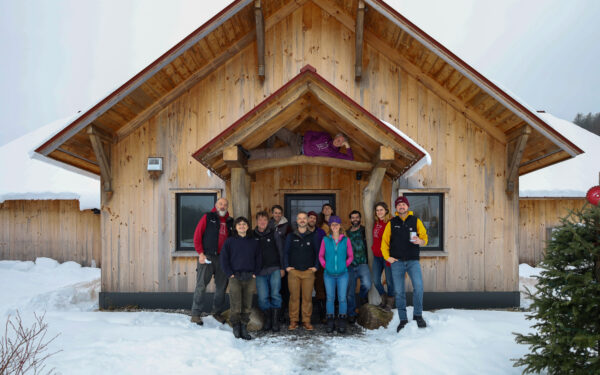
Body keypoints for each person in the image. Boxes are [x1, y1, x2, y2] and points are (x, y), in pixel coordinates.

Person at [381, 196, 428, 332]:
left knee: (418, 287)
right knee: (399, 292)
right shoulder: (391, 223)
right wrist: (387, 257)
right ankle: (402, 319)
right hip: (397, 262)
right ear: (396, 208)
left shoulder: (415, 220)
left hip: (413, 261)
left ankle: (418, 315)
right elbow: (385, 242)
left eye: (403, 204)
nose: (401, 206)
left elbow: (425, 238)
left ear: (407, 206)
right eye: (399, 205)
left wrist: (421, 241)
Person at [191, 198, 233, 325]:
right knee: (201, 285)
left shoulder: (231, 221)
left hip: (223, 259)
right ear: (216, 205)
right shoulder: (208, 217)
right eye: (220, 204)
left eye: (225, 204)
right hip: (207, 256)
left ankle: (216, 312)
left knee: (221, 287)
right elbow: (197, 235)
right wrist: (201, 253)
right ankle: (196, 314)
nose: (223, 206)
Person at [220, 217, 262, 340]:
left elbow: (259, 258)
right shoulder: (230, 241)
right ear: (235, 227)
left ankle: (244, 326)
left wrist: (255, 272)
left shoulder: (254, 241)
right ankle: (236, 326)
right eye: (239, 224)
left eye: (244, 224)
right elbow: (224, 259)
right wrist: (229, 273)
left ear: (248, 227)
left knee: (247, 304)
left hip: (250, 276)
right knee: (236, 303)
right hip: (235, 276)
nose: (242, 226)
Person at [283, 212, 319, 331]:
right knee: (294, 297)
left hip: (308, 272)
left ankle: (306, 321)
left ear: (307, 220)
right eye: (300, 218)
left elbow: (318, 253)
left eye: (304, 218)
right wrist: (287, 266)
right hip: (294, 272)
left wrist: (316, 267)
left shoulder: (313, 236)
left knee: (307, 297)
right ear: (297, 221)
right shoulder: (291, 236)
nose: (302, 220)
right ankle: (293, 321)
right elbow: (286, 252)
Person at [319, 216, 353, 333]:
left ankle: (342, 320)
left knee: (342, 298)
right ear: (330, 226)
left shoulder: (346, 240)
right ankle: (330, 320)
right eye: (332, 224)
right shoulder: (325, 239)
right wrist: (326, 265)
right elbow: (321, 256)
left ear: (340, 226)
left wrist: (345, 265)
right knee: (330, 298)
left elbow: (350, 256)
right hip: (328, 274)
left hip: (343, 274)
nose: (334, 226)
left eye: (336, 224)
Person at [254, 211, 284, 332]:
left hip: (274, 268)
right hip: (259, 271)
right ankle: (268, 320)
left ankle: (275, 321)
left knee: (275, 294)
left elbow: (280, 250)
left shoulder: (274, 233)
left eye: (265, 220)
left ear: (268, 222)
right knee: (262, 297)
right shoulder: (252, 234)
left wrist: (282, 267)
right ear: (256, 221)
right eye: (260, 220)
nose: (262, 222)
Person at [247, 129, 353, 160]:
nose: (338, 141)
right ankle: (269, 144)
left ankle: (248, 154)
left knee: (271, 154)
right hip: (297, 138)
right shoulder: (326, 136)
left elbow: (350, 158)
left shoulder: (334, 153)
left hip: (297, 150)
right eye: (338, 139)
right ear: (336, 136)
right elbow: (311, 133)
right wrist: (306, 141)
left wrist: (347, 145)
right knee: (276, 128)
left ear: (341, 145)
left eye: (341, 142)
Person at [346, 210, 372, 324]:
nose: (355, 219)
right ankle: (351, 313)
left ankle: (362, 297)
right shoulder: (347, 233)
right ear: (350, 219)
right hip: (350, 265)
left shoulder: (364, 230)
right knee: (349, 291)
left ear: (360, 219)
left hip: (363, 263)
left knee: (367, 284)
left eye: (357, 217)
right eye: (353, 217)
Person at [268, 204, 291, 322]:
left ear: (282, 214)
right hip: (271, 261)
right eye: (275, 212)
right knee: (273, 288)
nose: (277, 215)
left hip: (283, 260)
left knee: (284, 289)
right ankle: (272, 315)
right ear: (272, 214)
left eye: (279, 213)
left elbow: (289, 244)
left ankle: (282, 313)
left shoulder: (287, 226)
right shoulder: (268, 225)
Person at [372, 202, 395, 310]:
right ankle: (384, 298)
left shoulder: (391, 222)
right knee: (376, 280)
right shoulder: (376, 222)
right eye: (377, 210)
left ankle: (390, 301)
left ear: (386, 210)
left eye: (381, 209)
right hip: (377, 256)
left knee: (390, 281)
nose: (379, 212)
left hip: (387, 256)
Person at [307, 211, 327, 323]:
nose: (312, 220)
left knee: (320, 289)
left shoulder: (321, 232)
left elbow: (325, 247)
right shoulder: (302, 231)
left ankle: (322, 315)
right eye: (310, 218)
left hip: (319, 264)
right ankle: (306, 316)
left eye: (314, 218)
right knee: (306, 290)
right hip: (306, 265)